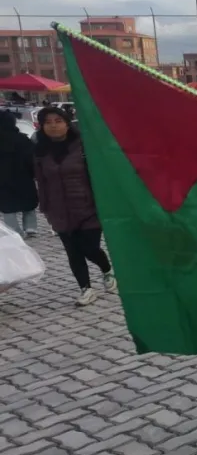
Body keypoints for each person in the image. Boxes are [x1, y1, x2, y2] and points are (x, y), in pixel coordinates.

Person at [34, 106, 116, 306]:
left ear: (67, 123)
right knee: (73, 251)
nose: (53, 126)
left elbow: (99, 176)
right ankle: (86, 289)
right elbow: (41, 181)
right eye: (48, 122)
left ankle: (107, 269)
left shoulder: (84, 146)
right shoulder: (40, 151)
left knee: (89, 247)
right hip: (58, 209)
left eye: (58, 121)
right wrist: (45, 208)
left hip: (87, 207)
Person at [0, 109, 38, 237]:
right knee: (28, 203)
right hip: (24, 176)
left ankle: (14, 231)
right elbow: (32, 158)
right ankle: (31, 227)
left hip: (3, 179)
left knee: (8, 207)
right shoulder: (22, 139)